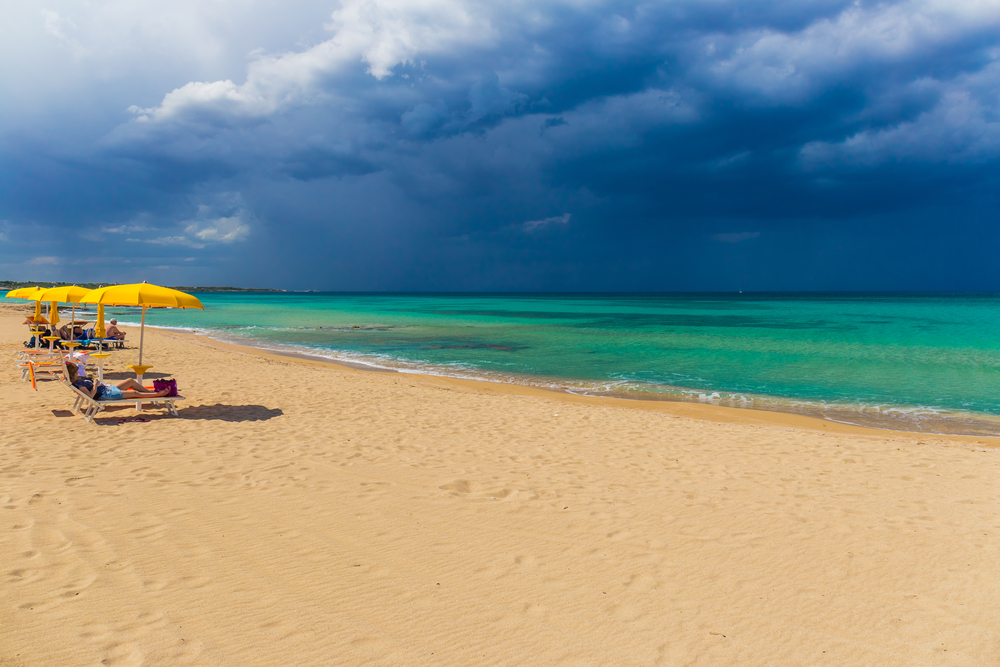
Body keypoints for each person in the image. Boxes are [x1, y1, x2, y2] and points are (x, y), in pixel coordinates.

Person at [67, 364, 170, 400]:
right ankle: (158, 394)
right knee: (134, 393)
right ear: (75, 372)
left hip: (106, 389)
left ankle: (151, 393)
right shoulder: (79, 384)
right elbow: (90, 396)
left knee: (130, 381)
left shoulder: (77, 379)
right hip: (105, 394)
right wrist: (95, 384)